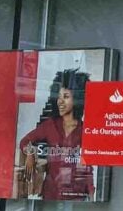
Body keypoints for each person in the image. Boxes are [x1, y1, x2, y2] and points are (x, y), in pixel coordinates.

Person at [18, 69, 94, 201]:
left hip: (76, 195)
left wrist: (92, 195)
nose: (60, 101)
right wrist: (30, 153)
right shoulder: (50, 125)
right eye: (58, 97)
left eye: (65, 97)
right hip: (51, 194)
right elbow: (25, 141)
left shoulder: (85, 130)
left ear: (77, 99)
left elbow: (88, 168)